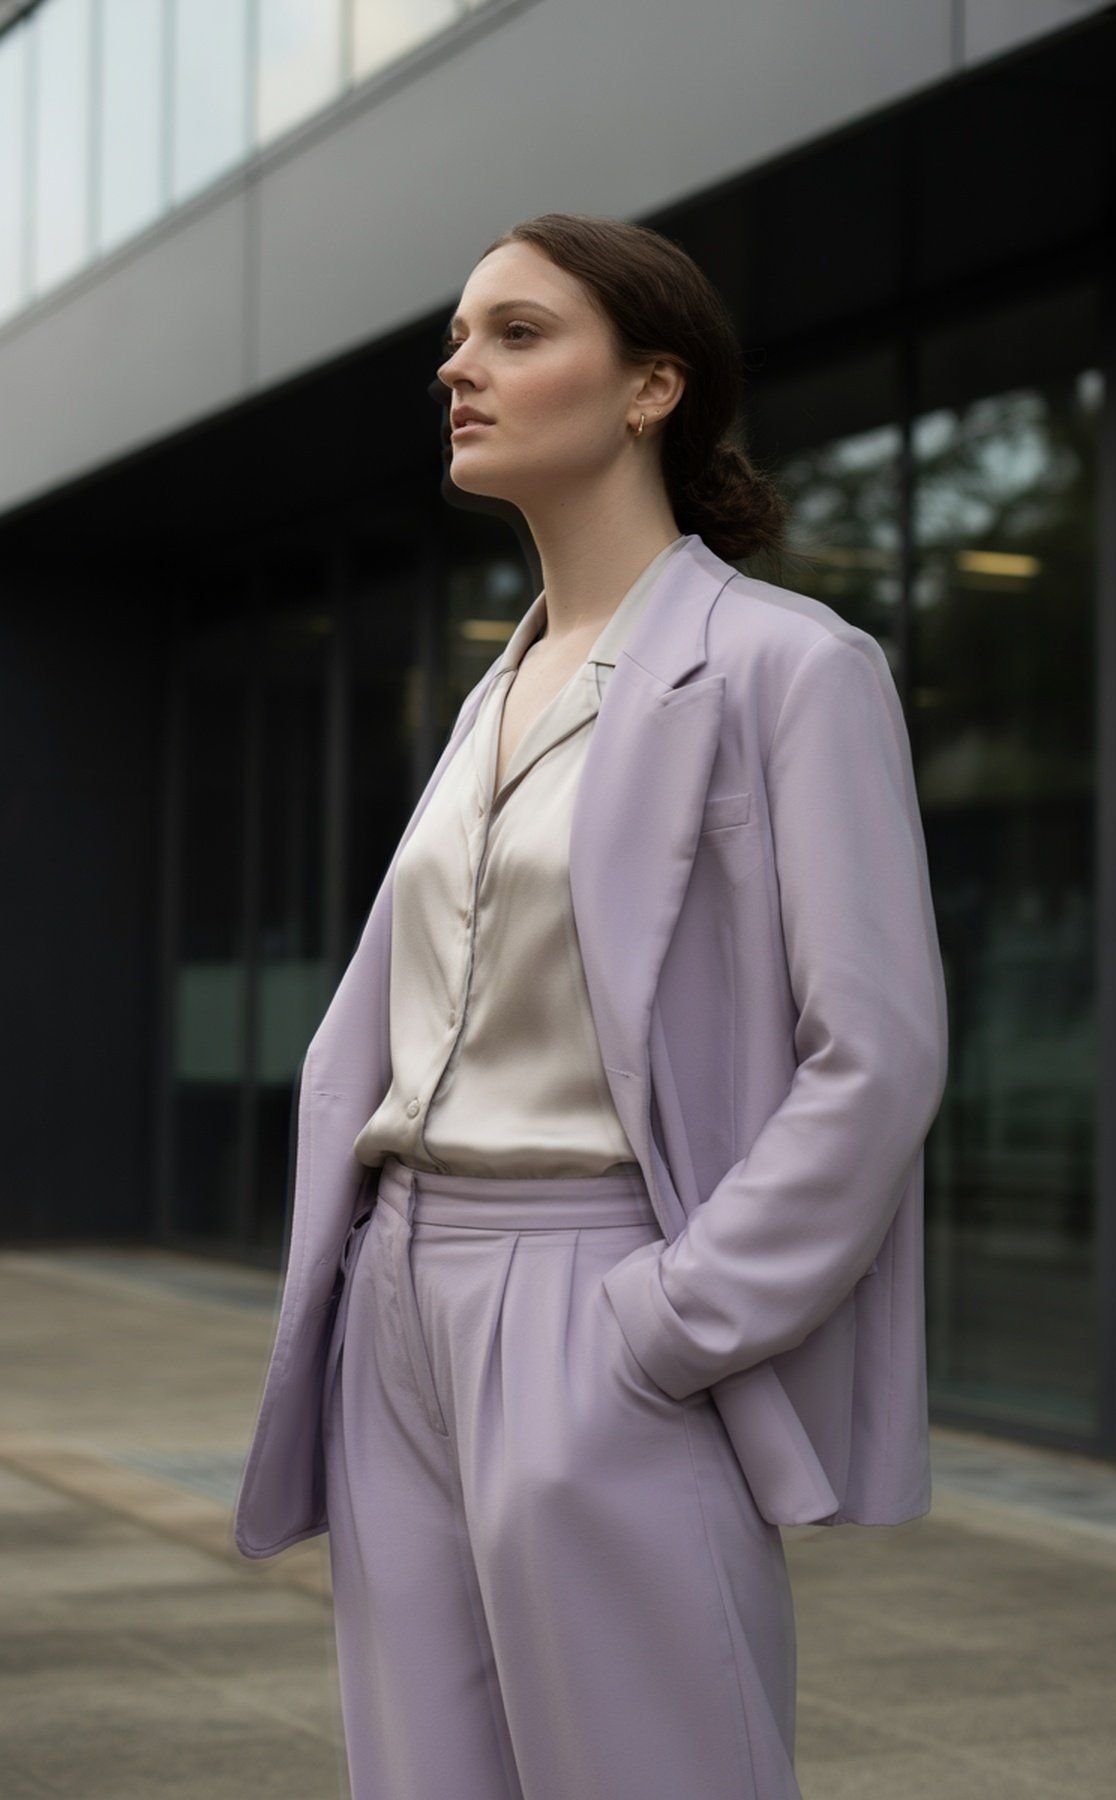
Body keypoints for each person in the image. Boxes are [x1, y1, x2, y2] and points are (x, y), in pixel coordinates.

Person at [233, 211, 948, 1800]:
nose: (458, 368)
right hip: (399, 1305)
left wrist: (674, 1322)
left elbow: (878, 1054)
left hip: (598, 1296)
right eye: (459, 335)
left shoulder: (787, 670)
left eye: (516, 332)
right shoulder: (496, 688)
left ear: (652, 389)